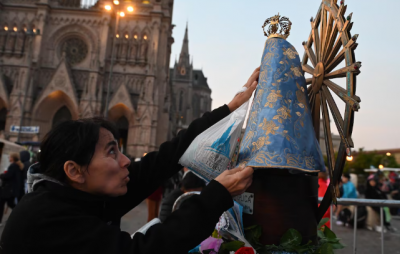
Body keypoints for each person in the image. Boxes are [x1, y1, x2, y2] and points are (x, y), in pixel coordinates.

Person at [0, 67, 259, 254]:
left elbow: (165, 158)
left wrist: (231, 107)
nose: (126, 161)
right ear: (74, 171)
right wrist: (216, 195)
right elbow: (146, 250)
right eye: (112, 152)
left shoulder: (80, 190)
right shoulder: (47, 219)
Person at [0, 153, 24, 226]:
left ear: (13, 158)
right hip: (11, 190)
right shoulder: (18, 166)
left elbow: (8, 176)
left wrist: (2, 175)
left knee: (1, 205)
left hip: (7, 190)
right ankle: (20, 214)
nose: (8, 158)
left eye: (10, 157)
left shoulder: (13, 166)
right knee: (11, 203)